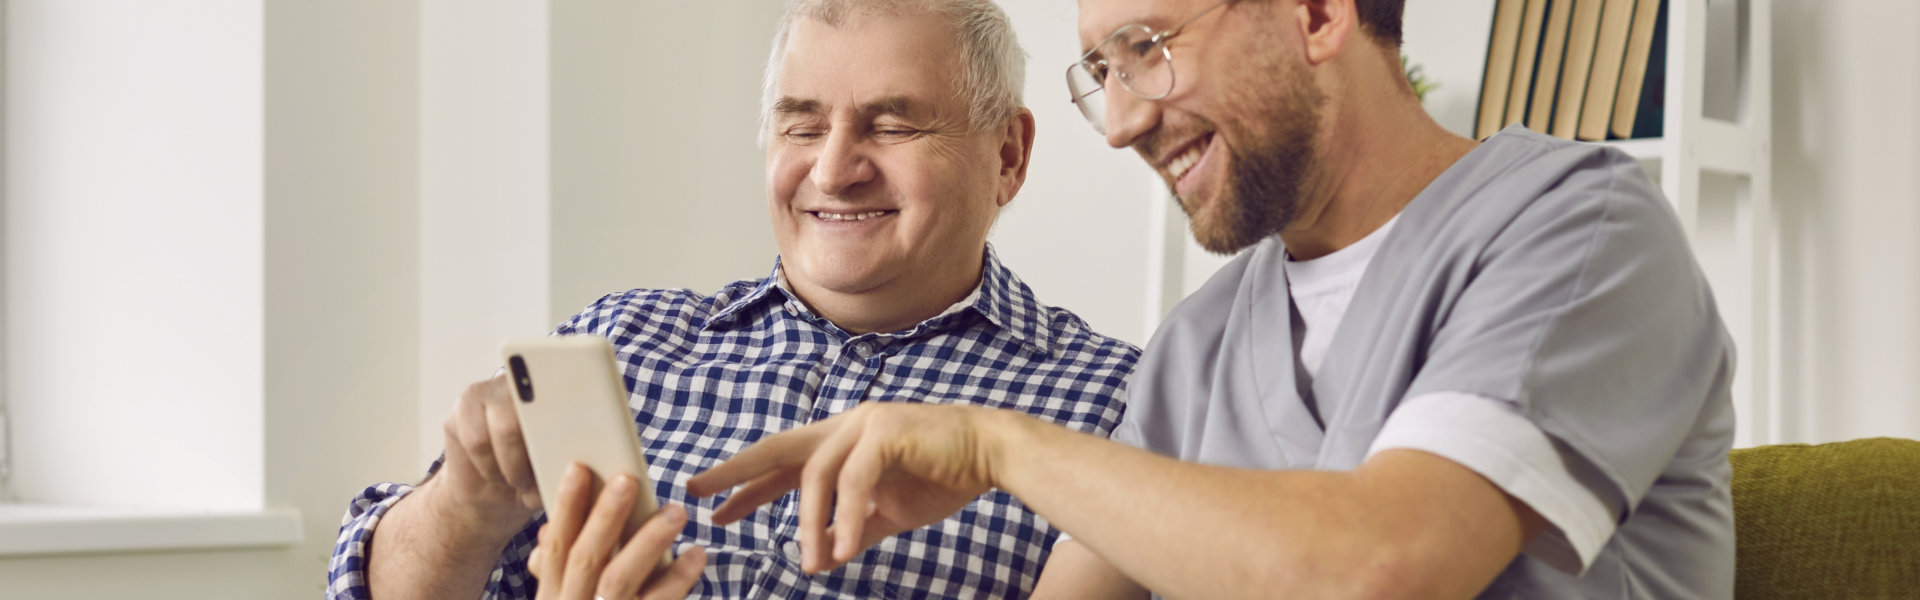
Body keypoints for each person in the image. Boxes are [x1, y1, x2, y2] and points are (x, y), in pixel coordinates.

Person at [687, 0, 1737, 598]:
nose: (1121, 123)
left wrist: (993, 445)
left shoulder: (1577, 231)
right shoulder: (1199, 348)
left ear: (1317, 14)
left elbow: (1383, 566)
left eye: (1148, 48)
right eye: (1101, 70)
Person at [325, 1, 1141, 598]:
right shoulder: (621, 342)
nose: (833, 169)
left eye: (892, 126)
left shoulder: (1120, 408)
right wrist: (464, 506)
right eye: (801, 125)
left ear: (1008, 153)